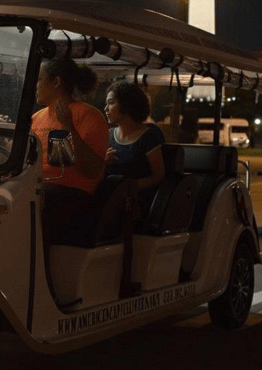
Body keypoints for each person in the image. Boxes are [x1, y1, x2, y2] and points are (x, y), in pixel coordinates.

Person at [31, 58, 109, 245]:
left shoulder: (88, 115)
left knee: (38, 201)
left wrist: (69, 128)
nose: (36, 85)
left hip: (70, 195)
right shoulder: (36, 118)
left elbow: (91, 171)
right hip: (37, 189)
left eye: (40, 79)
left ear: (56, 82)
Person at [103, 81, 165, 216]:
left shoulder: (149, 136)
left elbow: (158, 176)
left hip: (136, 201)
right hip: (111, 198)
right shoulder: (108, 135)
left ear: (126, 105)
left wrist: (129, 187)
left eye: (111, 103)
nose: (106, 109)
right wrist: (103, 161)